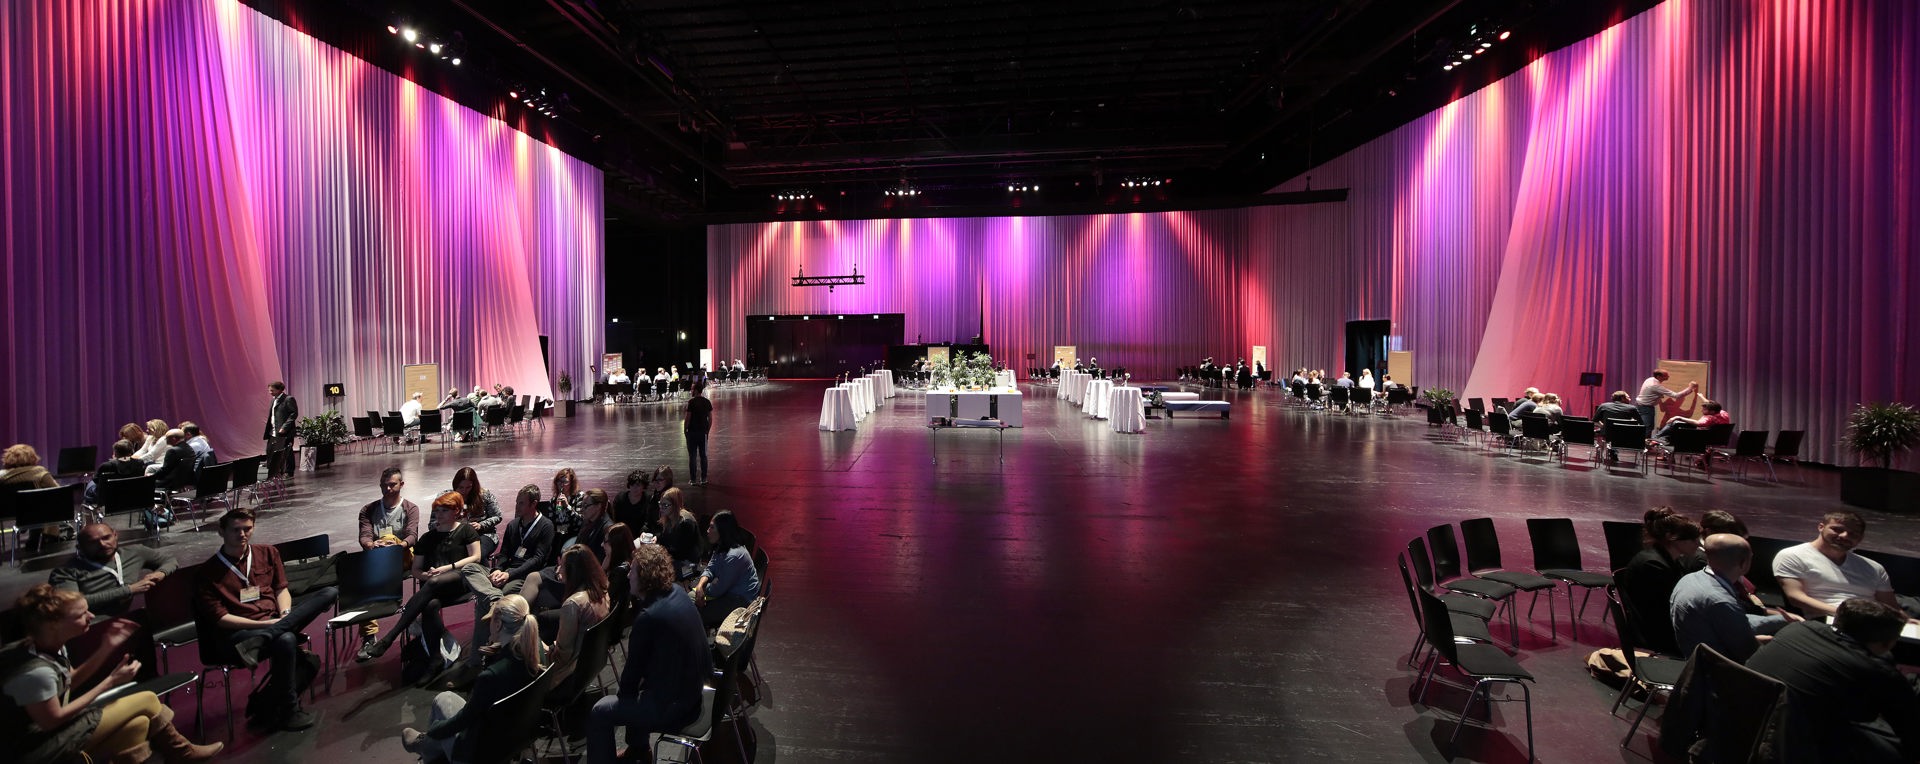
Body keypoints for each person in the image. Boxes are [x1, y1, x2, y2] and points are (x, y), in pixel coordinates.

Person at [1, 585, 222, 764]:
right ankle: (182, 753)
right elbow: (52, 720)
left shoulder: (48, 645)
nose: (91, 616)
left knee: (137, 725)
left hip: (52, 734)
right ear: (53, 625)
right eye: (81, 614)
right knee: (146, 699)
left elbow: (68, 683)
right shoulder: (34, 672)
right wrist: (110, 682)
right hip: (36, 749)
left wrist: (106, 648)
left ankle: (181, 754)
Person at [192, 508, 337, 731]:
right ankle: (289, 710)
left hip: (274, 621)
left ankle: (268, 639)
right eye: (236, 530)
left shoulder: (268, 553)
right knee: (286, 639)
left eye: (247, 529)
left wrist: (285, 615)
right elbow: (221, 619)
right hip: (239, 635)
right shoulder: (207, 572)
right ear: (221, 531)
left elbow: (281, 589)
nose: (242, 534)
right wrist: (265, 625)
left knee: (329, 593)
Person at [1745, 598, 1920, 762]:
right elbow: (1909, 729)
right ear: (1887, 643)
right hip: (1792, 745)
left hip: (1745, 721)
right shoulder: (1876, 671)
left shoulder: (1797, 629)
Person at [586, 545, 710, 764]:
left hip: (676, 707)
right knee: (640, 689)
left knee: (601, 711)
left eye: (632, 571)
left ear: (644, 577)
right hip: (693, 691)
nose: (628, 575)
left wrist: (625, 704)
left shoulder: (649, 616)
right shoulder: (677, 592)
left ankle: (629, 752)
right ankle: (639, 750)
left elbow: (630, 677)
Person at [401, 595, 546, 764]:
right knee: (446, 699)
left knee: (441, 702)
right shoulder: (535, 650)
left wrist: (434, 730)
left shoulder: (492, 675)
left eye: (491, 620)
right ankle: (426, 746)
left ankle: (425, 743)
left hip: (481, 753)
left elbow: (465, 719)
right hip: (520, 735)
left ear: (498, 624)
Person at [357, 492, 482, 668]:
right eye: (437, 510)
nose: (438, 514)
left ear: (456, 511)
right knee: (430, 605)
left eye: (444, 510)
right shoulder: (427, 538)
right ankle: (436, 659)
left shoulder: (466, 530)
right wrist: (426, 576)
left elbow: (476, 557)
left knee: (434, 582)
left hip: (461, 581)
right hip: (435, 588)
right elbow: (416, 570)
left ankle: (390, 637)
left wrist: (447, 568)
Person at [453, 485, 554, 687]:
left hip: (522, 576)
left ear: (534, 504)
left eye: (521, 503)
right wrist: (497, 570)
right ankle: (493, 598)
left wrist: (509, 574)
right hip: (503, 573)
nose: (516, 506)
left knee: (484, 605)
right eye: (517, 502)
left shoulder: (546, 526)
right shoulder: (513, 525)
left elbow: (537, 559)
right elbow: (504, 553)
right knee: (470, 568)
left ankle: (475, 663)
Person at [47, 522, 176, 678]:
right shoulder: (66, 572)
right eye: (93, 542)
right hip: (91, 632)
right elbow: (72, 605)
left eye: (106, 537)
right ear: (80, 546)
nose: (102, 544)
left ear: (115, 535)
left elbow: (170, 560)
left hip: (129, 628)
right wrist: (128, 590)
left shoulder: (135, 552)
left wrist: (161, 572)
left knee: (145, 674)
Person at [1670, 534, 1791, 663]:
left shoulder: (1689, 579)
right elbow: (1749, 654)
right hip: (1720, 668)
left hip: (1699, 656)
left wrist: (1782, 620)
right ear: (1743, 563)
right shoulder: (1721, 601)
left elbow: (1735, 621)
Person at [1772, 510, 1901, 619]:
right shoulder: (1793, 555)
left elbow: (1890, 606)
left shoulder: (1874, 567)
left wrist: (1905, 621)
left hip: (1875, 623)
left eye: (1853, 534)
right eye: (1837, 529)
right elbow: (1796, 597)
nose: (1844, 536)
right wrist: (1847, 615)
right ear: (1821, 527)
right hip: (1828, 621)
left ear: (1860, 538)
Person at [1620, 508, 1703, 655]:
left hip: (1661, 628)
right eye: (1692, 539)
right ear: (1671, 537)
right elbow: (1670, 607)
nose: (1698, 543)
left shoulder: (1670, 560)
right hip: (1656, 636)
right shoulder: (1653, 565)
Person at [521, 545, 612, 675]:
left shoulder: (573, 604)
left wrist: (535, 641)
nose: (559, 570)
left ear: (573, 571)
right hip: (590, 663)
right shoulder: (602, 590)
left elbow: (560, 657)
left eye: (562, 566)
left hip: (565, 672)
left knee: (519, 645)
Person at [357, 467, 420, 648]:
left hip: (402, 555)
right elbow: (365, 536)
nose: (388, 489)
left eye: (392, 485)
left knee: (389, 539)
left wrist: (397, 545)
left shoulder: (410, 508)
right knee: (364, 577)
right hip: (377, 556)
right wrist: (371, 545)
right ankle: (369, 636)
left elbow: (412, 536)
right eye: (384, 485)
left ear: (401, 484)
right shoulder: (368, 510)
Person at [693, 511, 761, 629]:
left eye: (712, 527)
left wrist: (702, 592)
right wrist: (700, 586)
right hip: (728, 592)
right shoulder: (722, 545)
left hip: (740, 601)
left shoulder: (734, 555)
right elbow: (711, 567)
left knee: (692, 613)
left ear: (722, 531)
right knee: (691, 599)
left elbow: (719, 589)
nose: (708, 531)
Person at [654, 487, 705, 584]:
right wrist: (656, 538)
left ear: (675, 505)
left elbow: (681, 553)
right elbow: (665, 539)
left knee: (661, 574)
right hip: (676, 559)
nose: (661, 508)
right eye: (660, 503)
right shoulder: (669, 518)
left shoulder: (686, 522)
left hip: (690, 566)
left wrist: (659, 552)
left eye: (665, 505)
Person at [85, 440, 146, 504]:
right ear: (131, 452)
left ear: (115, 453)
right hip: (134, 498)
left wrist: (114, 460)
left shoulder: (106, 466)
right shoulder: (139, 463)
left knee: (91, 483)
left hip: (109, 500)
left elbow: (96, 481)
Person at [451, 467, 503, 539]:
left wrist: (481, 525)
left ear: (474, 486)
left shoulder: (484, 495)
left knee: (478, 546)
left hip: (484, 534)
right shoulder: (447, 498)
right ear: (455, 485)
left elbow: (497, 516)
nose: (464, 491)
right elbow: (435, 521)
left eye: (468, 487)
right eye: (461, 487)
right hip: (456, 535)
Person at [1654, 399, 1731, 443]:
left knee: (1675, 424)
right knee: (1669, 435)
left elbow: (1699, 423)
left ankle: (1656, 438)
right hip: (1719, 438)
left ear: (1712, 411)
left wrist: (1678, 417)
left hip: (1701, 438)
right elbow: (1713, 406)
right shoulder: (1723, 413)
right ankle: (1658, 439)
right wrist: (1702, 398)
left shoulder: (1709, 417)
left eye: (1704, 409)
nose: (1702, 411)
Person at [263, 381, 298, 479]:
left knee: (287, 452)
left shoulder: (288, 399)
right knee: (272, 452)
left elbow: (293, 414)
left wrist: (284, 427)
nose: (270, 392)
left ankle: (289, 472)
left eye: (272, 390)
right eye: (269, 390)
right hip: (273, 431)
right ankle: (275, 472)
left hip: (284, 431)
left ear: (279, 390)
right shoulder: (273, 400)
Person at [685, 380, 713, 486]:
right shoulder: (707, 402)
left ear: (696, 390)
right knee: (703, 456)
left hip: (692, 433)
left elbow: (688, 418)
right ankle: (703, 479)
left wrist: (685, 430)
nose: (691, 390)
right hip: (703, 433)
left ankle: (693, 480)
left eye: (692, 389)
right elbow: (710, 419)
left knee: (692, 456)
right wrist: (707, 431)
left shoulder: (691, 402)